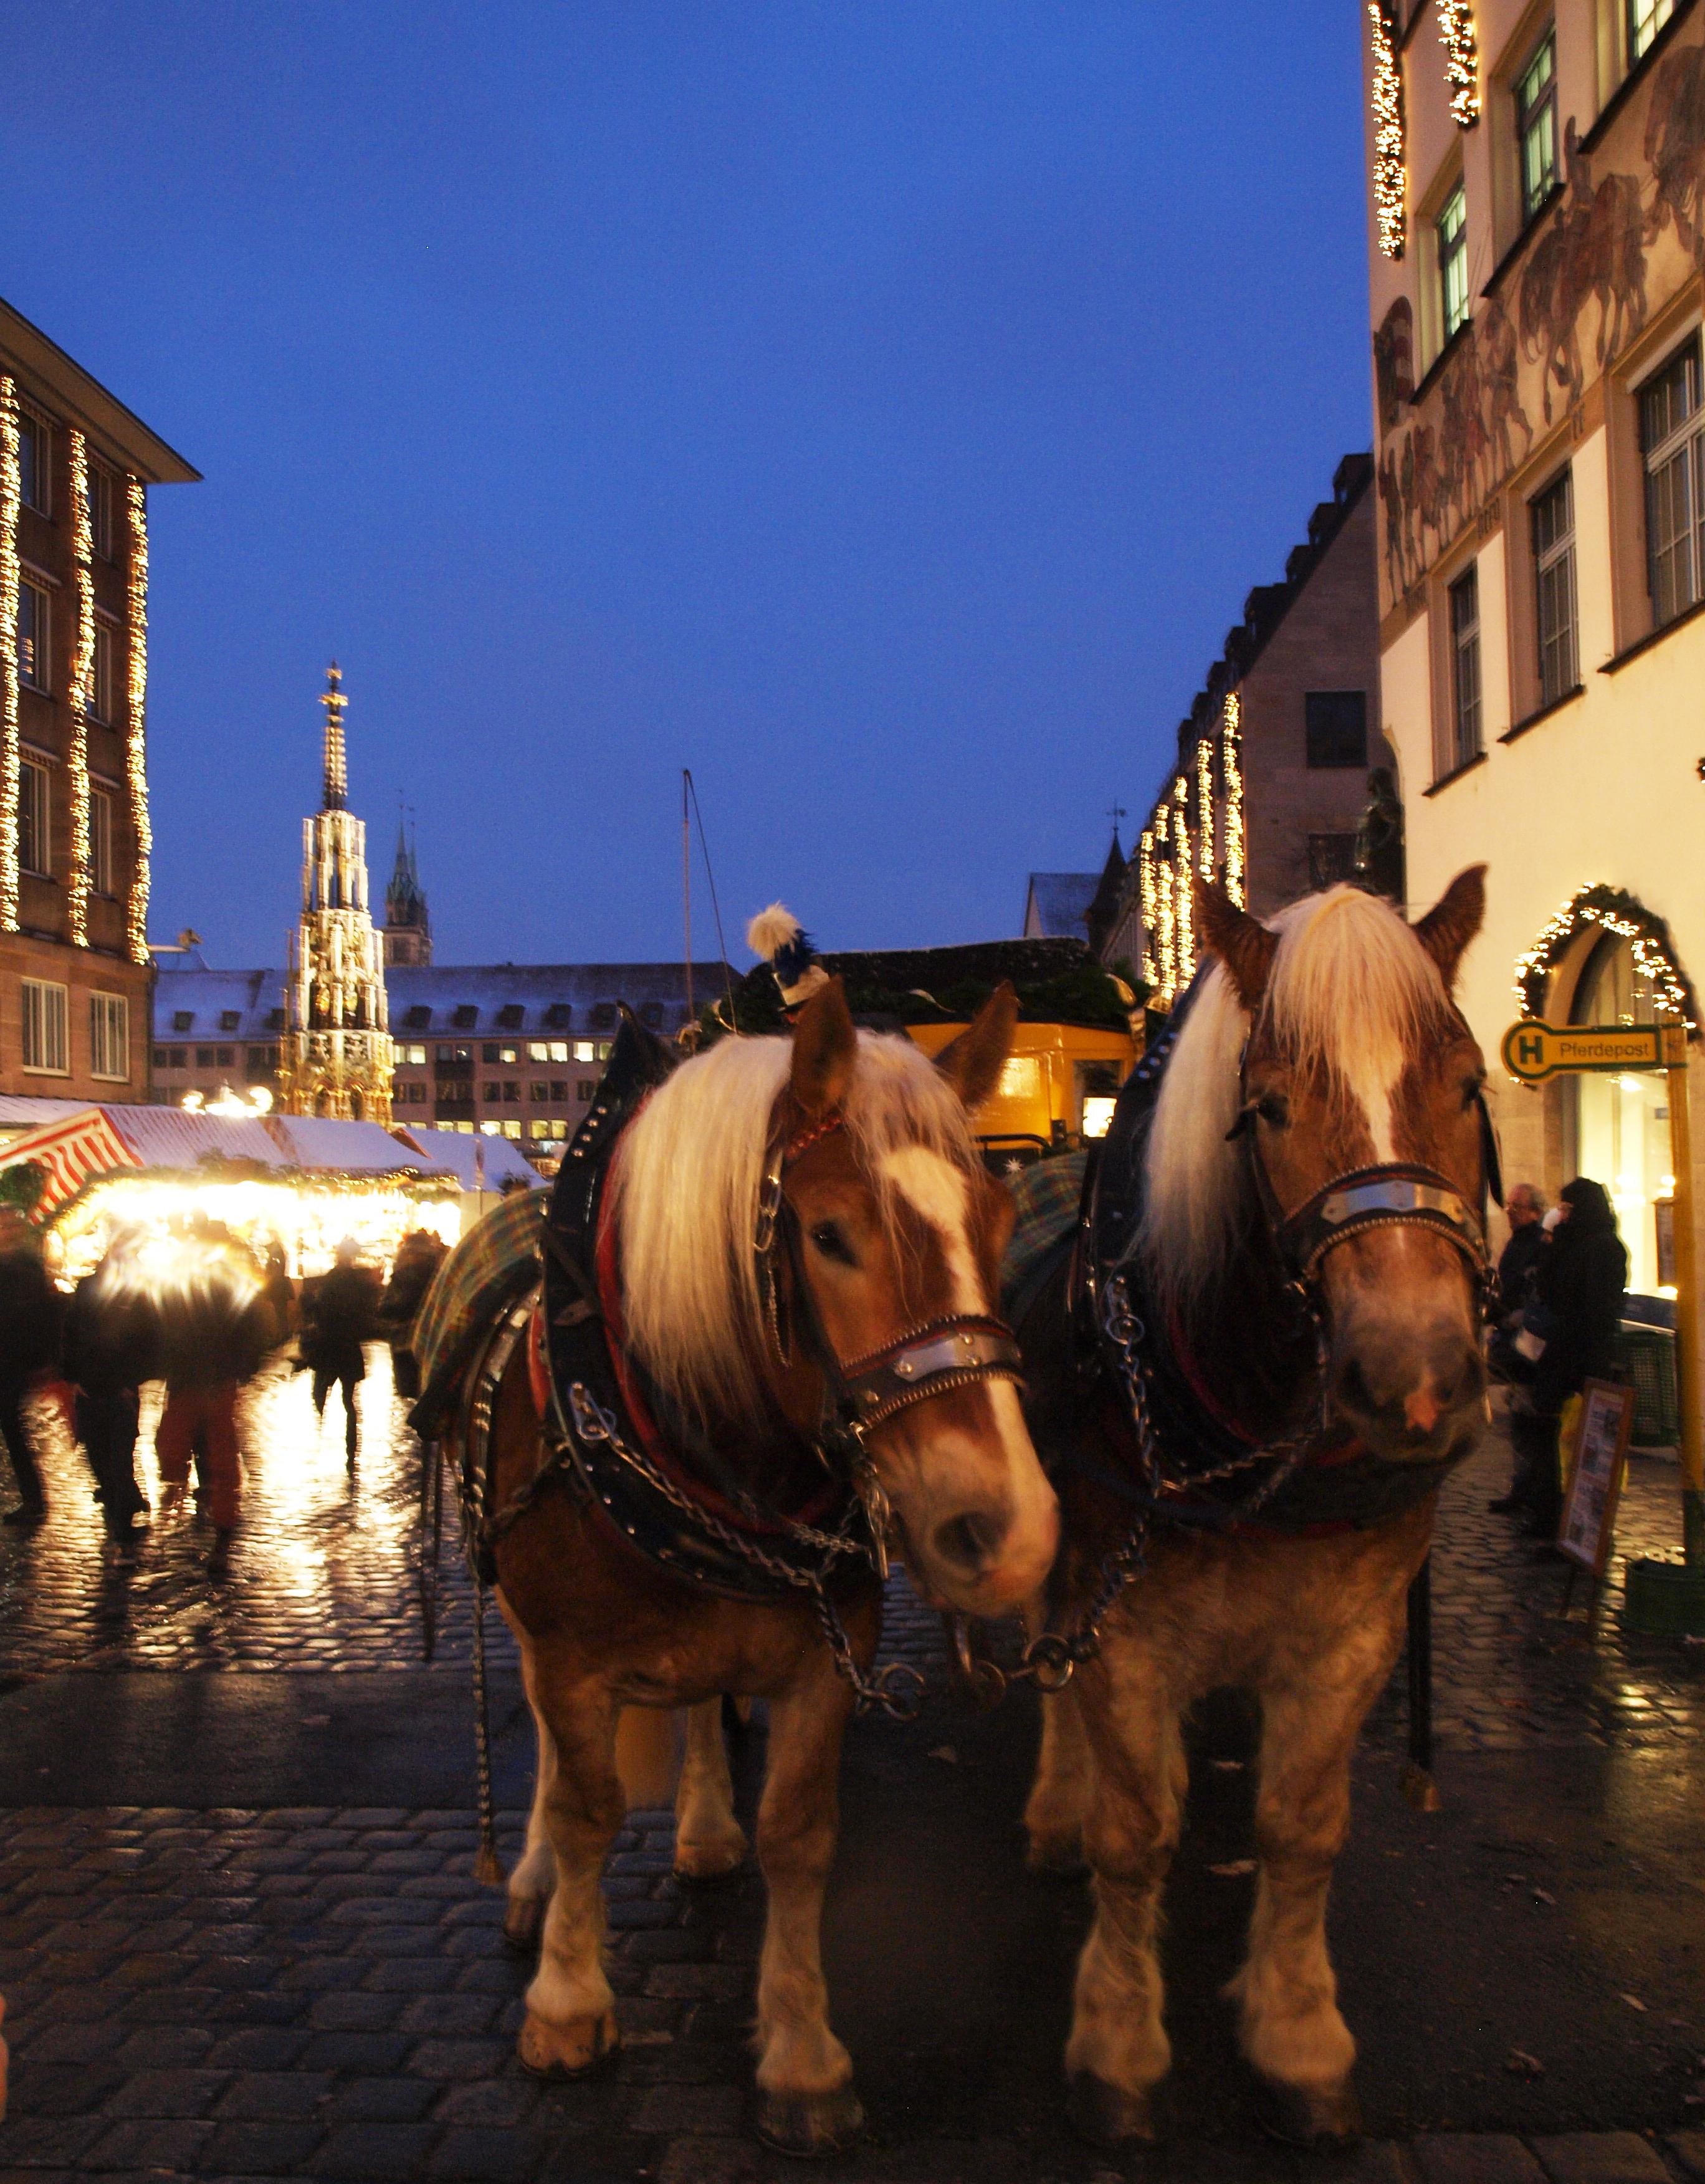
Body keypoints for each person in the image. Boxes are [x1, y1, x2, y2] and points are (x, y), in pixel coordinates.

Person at [1500, 1177, 1628, 1538]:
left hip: (1583, 1358)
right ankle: (1546, 1514)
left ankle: (1573, 1524)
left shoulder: (1604, 1248)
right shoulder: (1568, 1243)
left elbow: (1592, 1306)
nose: (1565, 1216)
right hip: (1557, 1356)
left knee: (1574, 1444)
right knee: (1543, 1434)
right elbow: (1550, 1287)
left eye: (1570, 1209)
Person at [155, 1228, 273, 1574]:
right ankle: (202, 1497)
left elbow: (251, 1333)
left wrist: (239, 1367)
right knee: (182, 1447)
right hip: (193, 1381)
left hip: (212, 1382)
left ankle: (221, 1524)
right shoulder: (186, 1285)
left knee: (215, 1453)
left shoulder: (224, 1288)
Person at [63, 1237, 158, 1555]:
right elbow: (73, 1333)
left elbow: (148, 1340)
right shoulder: (91, 1287)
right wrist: (74, 1377)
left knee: (117, 1453)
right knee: (102, 1453)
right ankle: (122, 1508)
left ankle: (121, 1521)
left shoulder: (137, 1292)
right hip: (94, 1385)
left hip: (117, 1387)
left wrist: (131, 1381)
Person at [0, 1209, 65, 1526]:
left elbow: (38, 1317)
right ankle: (33, 1498)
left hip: (15, 1360)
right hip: (11, 1357)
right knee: (12, 1428)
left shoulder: (24, 1265)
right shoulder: (17, 1264)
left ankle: (34, 1498)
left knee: (12, 1426)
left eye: (9, 1225)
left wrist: (42, 1361)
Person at [303, 1239, 380, 1468]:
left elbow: (320, 1309)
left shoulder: (332, 1280)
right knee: (349, 1401)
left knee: (323, 1392)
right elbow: (367, 1312)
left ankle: (320, 1437)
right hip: (348, 1347)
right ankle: (351, 1452)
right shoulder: (358, 1282)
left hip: (330, 1346)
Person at [379, 1228, 447, 1402]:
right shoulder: (440, 1276)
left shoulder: (404, 1277)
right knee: (427, 1392)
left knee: (414, 1391)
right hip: (432, 1342)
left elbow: (386, 1309)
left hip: (407, 1343)